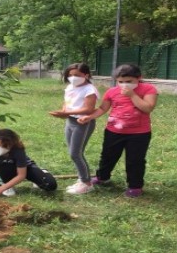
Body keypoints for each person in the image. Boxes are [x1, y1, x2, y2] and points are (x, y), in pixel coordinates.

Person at [78, 64, 158, 198]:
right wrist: (90, 116)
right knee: (108, 156)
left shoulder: (148, 89)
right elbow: (103, 109)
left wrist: (132, 95)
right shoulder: (112, 92)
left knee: (135, 160)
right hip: (113, 131)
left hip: (139, 134)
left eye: (129, 81)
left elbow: (147, 108)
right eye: (120, 82)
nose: (124, 85)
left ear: (139, 78)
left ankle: (135, 186)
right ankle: (103, 177)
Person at [48, 63, 99, 194]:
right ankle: (82, 179)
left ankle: (87, 183)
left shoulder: (89, 89)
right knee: (74, 153)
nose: (73, 78)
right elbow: (67, 102)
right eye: (70, 75)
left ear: (86, 75)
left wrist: (66, 113)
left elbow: (88, 109)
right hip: (70, 121)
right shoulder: (70, 87)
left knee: (75, 153)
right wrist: (63, 111)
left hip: (83, 122)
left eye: (77, 75)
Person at [0, 129, 57, 199]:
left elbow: (21, 175)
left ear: (11, 144)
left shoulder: (18, 150)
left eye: (3, 145)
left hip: (25, 168)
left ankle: (42, 172)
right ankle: (7, 185)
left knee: (50, 185)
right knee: (3, 165)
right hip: (5, 170)